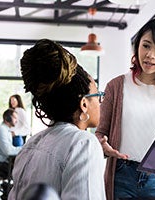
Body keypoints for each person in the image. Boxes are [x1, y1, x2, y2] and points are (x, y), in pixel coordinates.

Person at [95, 18, 155, 200]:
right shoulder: (116, 86)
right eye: (146, 46)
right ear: (137, 45)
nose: (150, 55)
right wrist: (103, 145)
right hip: (121, 176)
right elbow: (101, 133)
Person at [8, 39, 106, 200]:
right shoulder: (84, 143)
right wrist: (90, 150)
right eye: (98, 95)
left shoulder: (31, 144)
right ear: (83, 104)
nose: (101, 101)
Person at [0, 108, 22, 175]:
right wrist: (23, 149)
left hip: (2, 161)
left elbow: (9, 149)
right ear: (7, 118)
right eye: (14, 118)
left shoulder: (6, 130)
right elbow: (8, 152)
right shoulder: (1, 130)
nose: (16, 121)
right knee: (24, 168)